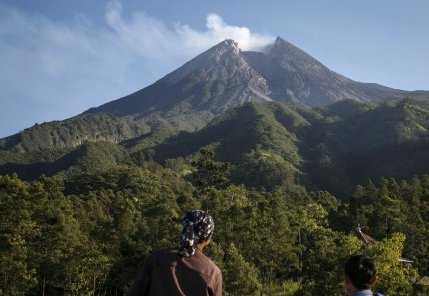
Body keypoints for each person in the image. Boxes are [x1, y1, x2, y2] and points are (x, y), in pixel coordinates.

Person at [126, 210, 222, 296]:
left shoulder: (157, 258)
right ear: (207, 239)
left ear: (185, 230)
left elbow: (136, 291)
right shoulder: (213, 272)